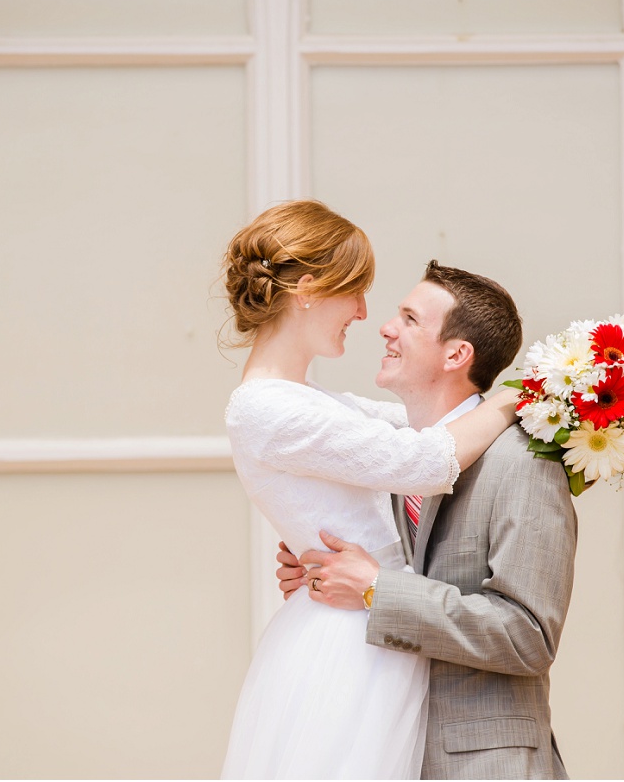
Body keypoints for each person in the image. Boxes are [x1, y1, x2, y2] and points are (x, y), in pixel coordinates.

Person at [219, 201, 521, 779]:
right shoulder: (266, 407)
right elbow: (428, 459)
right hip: (349, 644)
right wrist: (511, 398)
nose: (363, 313)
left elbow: (421, 424)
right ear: (307, 289)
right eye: (355, 292)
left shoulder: (306, 398)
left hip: (368, 620)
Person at [278, 261, 578, 779]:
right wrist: (318, 568)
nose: (386, 328)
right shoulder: (402, 461)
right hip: (396, 752)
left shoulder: (523, 463)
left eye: (410, 319)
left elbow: (528, 635)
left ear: (457, 355)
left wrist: (377, 590)